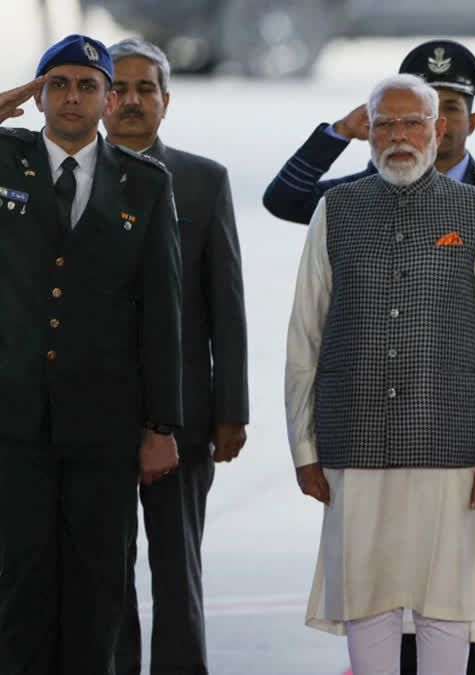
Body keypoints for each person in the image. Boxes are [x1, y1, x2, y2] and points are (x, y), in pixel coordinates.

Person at [266, 41, 475, 674]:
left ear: (439, 128)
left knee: (450, 604)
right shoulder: (337, 208)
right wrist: (304, 449)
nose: (398, 135)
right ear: (367, 131)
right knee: (368, 604)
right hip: (354, 443)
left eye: (412, 121)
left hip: (456, 444)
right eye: (383, 122)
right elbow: (303, 335)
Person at [0, 34, 182, 673]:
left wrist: (161, 425)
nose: (71, 97)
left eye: (86, 85)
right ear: (39, 94)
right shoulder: (4, 159)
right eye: (58, 84)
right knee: (14, 588)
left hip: (104, 427)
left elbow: (163, 314)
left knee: (100, 588)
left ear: (108, 100)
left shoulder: (145, 184)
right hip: (12, 423)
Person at [100, 38, 250, 675]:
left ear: (167, 100)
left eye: (146, 89)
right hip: (93, 419)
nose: (133, 101)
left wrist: (230, 411)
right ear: (103, 100)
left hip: (186, 417)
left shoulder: (203, 178)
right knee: (105, 574)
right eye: (121, 89)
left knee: (176, 572)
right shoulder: (67, 177)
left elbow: (227, 304)